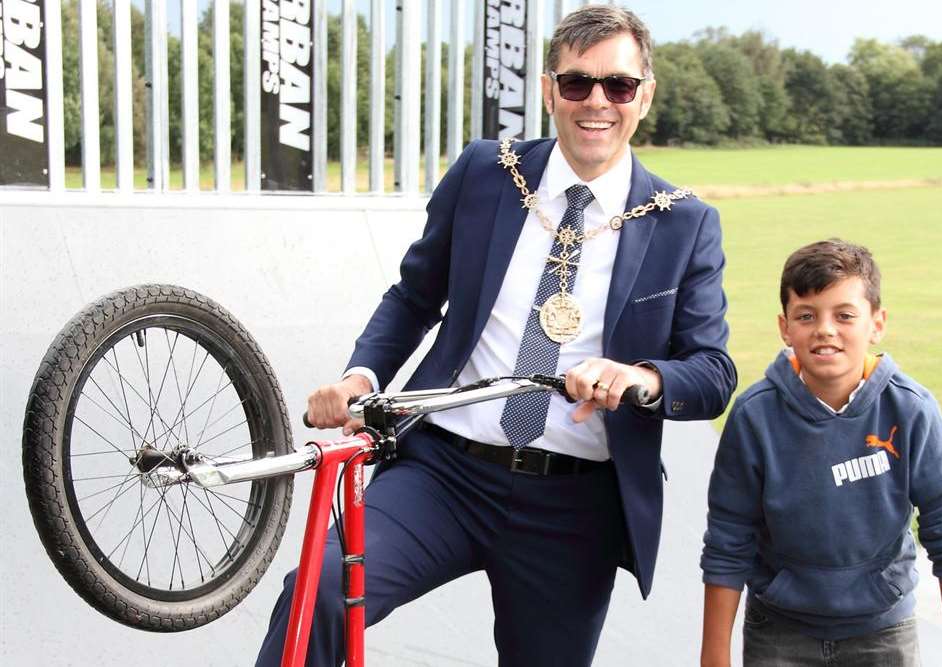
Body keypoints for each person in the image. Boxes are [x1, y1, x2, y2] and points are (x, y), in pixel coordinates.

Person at [257, 6, 736, 666]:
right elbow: (414, 297)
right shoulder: (487, 171)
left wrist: (641, 378)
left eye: (618, 86)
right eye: (577, 83)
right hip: (445, 470)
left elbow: (712, 371)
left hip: (575, 503)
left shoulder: (685, 224)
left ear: (645, 96)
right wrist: (360, 378)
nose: (597, 102)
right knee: (320, 593)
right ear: (549, 91)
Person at [700, 239, 942, 667]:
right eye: (807, 316)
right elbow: (727, 540)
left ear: (877, 323)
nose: (825, 329)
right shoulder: (754, 416)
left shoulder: (911, 410)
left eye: (844, 315)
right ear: (784, 326)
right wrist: (713, 657)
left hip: (883, 632)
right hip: (778, 633)